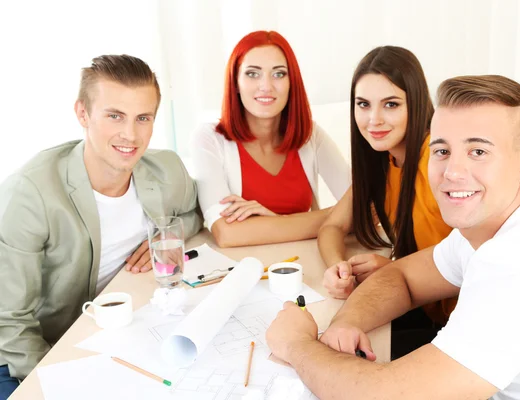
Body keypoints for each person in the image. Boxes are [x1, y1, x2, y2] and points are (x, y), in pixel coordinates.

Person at [266, 75, 520, 399]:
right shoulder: (496, 227)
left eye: (478, 152)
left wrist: (296, 343)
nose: (452, 172)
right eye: (441, 151)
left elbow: (380, 395)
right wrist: (347, 323)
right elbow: (403, 276)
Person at [0, 54, 202, 399]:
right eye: (114, 116)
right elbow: (9, 320)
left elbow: (193, 215)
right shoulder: (29, 193)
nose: (130, 134)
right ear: (82, 114)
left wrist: (170, 234)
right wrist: (64, 381)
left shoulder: (166, 168)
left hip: (113, 332)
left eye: (143, 118)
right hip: (26, 351)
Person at [318, 46, 454, 357]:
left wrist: (395, 270)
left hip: (460, 322)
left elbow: (466, 258)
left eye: (391, 104)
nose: (373, 119)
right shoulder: (385, 161)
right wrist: (337, 268)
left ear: (415, 103)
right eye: (363, 104)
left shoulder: (436, 162)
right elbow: (332, 226)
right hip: (425, 310)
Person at [190, 30, 350, 248]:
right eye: (253, 74)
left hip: (304, 265)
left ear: (291, 82)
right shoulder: (210, 139)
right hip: (245, 268)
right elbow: (227, 234)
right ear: (235, 83)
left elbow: (367, 211)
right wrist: (336, 217)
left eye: (279, 74)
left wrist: (272, 221)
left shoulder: (310, 135)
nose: (266, 86)